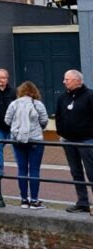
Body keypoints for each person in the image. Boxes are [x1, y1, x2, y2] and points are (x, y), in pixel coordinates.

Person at [4, 81, 49, 209]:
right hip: (35, 140)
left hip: (17, 140)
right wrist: (37, 128)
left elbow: (7, 120)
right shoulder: (38, 104)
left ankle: (24, 200)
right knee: (34, 170)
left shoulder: (14, 104)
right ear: (35, 92)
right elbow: (44, 121)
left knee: (22, 169)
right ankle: (34, 200)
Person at [56, 69, 93, 215]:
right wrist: (61, 132)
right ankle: (82, 202)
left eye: (67, 79)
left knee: (91, 171)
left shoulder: (90, 96)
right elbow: (58, 116)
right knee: (76, 172)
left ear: (77, 81)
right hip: (68, 141)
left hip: (87, 140)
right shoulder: (62, 98)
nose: (64, 82)